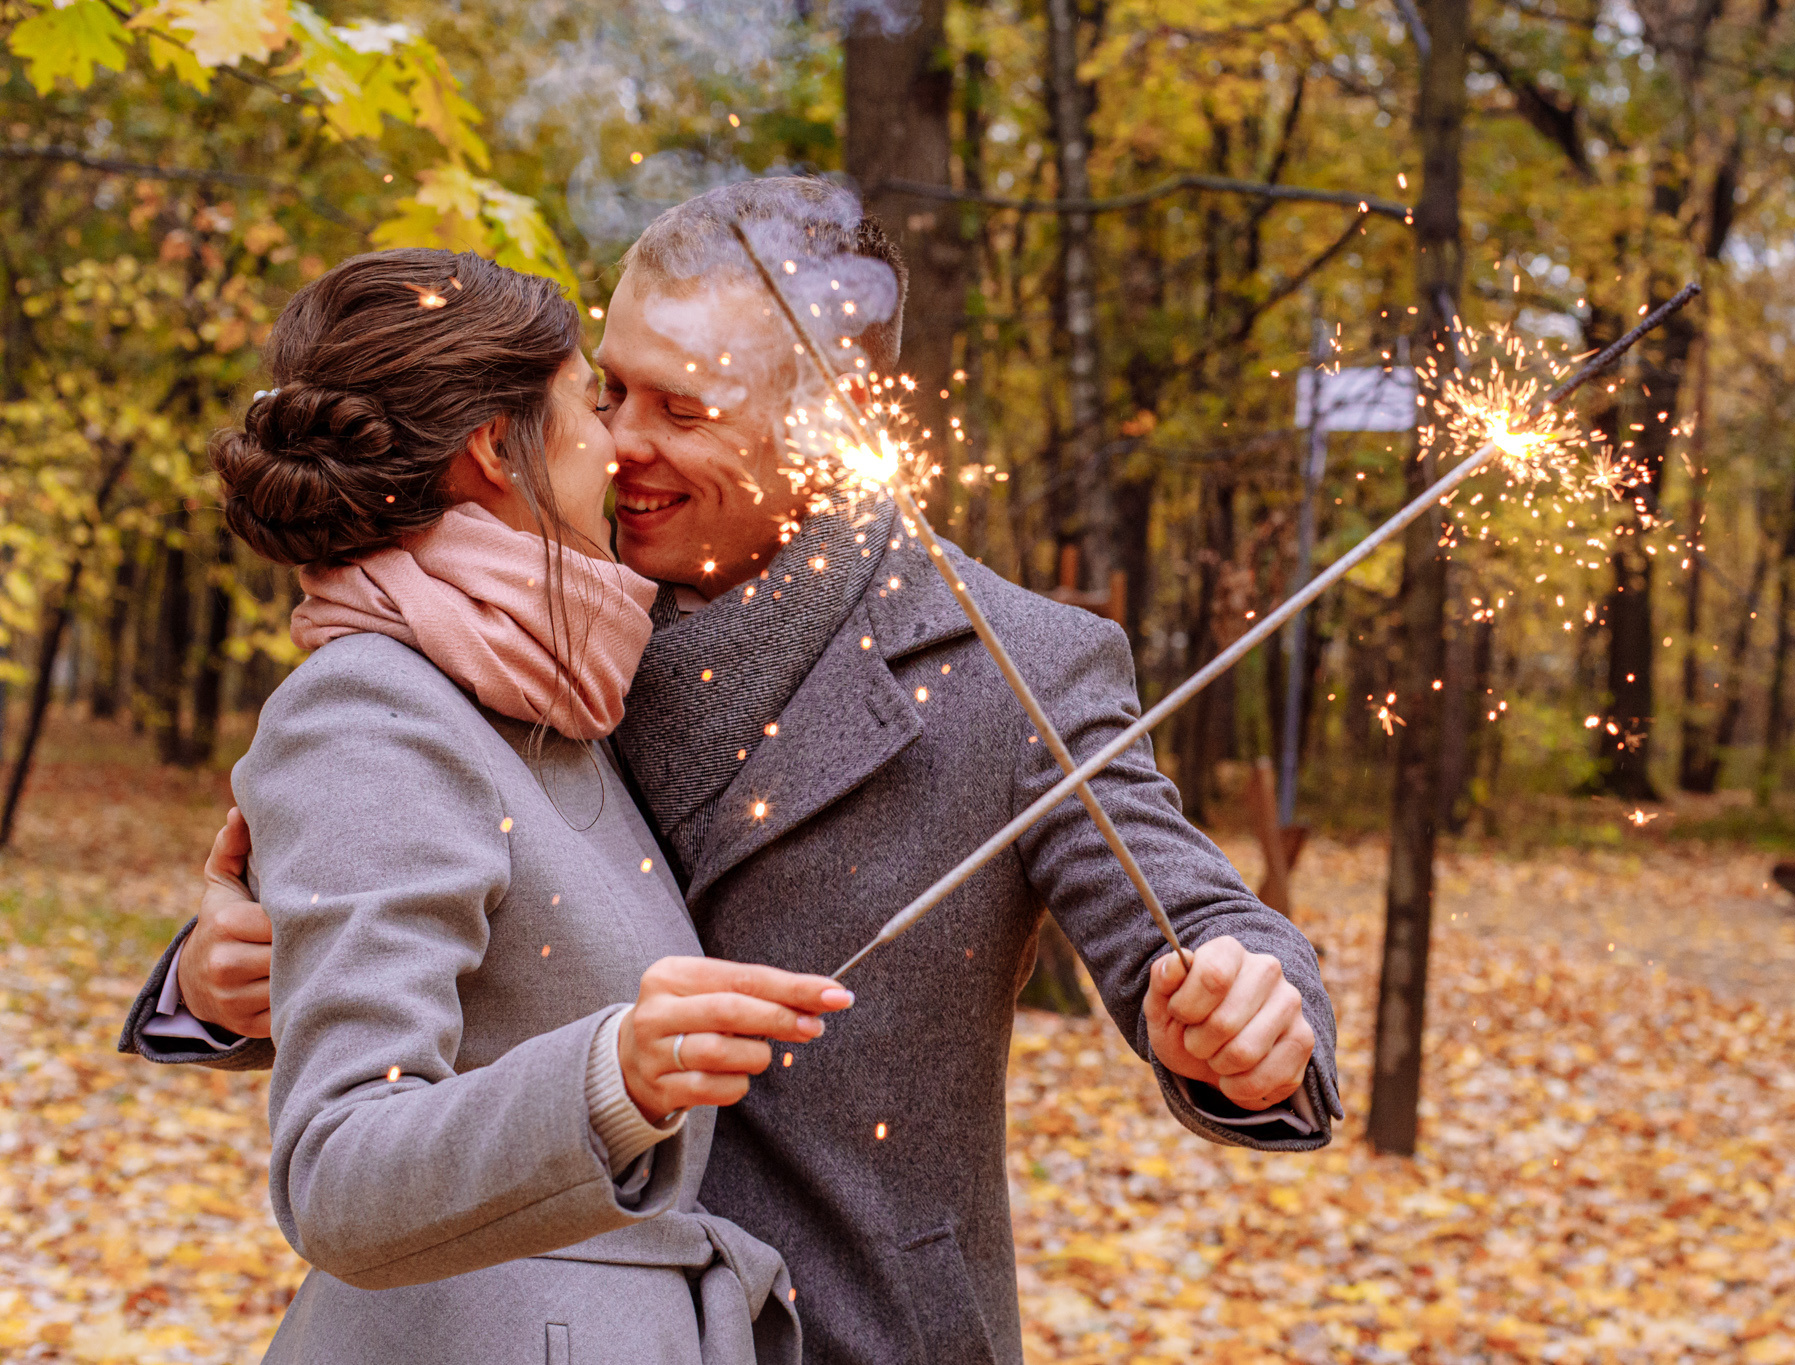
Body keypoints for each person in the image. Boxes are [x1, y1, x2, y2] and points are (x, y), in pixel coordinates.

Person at [126, 178, 1344, 1365]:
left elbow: (1198, 920)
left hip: (865, 1331)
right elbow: (397, 927)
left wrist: (1253, 1020)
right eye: (609, 390)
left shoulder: (1016, 666)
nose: (620, 441)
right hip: (538, 1321)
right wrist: (218, 978)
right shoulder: (517, 626)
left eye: (683, 409)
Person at [121, 246, 852, 1363]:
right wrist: (609, 1076)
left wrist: (218, 980)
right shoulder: (371, 706)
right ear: (494, 450)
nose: (615, 444)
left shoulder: (534, 685)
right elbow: (337, 1167)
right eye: (588, 403)